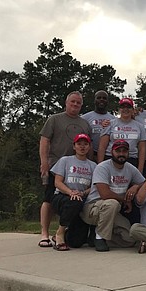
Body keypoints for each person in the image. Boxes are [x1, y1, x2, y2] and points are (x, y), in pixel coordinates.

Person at [38, 91, 92, 248]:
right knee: (48, 199)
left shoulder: (84, 124)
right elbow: (44, 140)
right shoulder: (54, 119)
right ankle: (44, 234)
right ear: (66, 103)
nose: (75, 105)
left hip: (78, 169)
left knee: (73, 201)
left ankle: (61, 232)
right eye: (72, 102)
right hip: (55, 165)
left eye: (78, 103)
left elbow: (90, 146)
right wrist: (44, 162)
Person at [80, 140, 145, 252]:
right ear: (111, 152)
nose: (121, 154)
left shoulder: (130, 168)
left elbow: (143, 182)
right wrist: (125, 200)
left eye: (124, 151)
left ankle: (94, 236)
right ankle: (100, 237)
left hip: (112, 211)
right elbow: (105, 194)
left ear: (128, 153)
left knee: (129, 239)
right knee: (112, 203)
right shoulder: (102, 167)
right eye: (118, 151)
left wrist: (135, 187)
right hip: (92, 208)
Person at [50, 133, 97, 251]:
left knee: (76, 242)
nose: (82, 147)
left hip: (82, 199)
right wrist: (70, 192)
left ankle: (68, 232)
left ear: (89, 147)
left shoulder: (93, 166)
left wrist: (84, 193)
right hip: (62, 197)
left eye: (85, 144)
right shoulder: (65, 160)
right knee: (74, 201)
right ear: (74, 146)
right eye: (79, 144)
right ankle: (60, 233)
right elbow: (58, 182)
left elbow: (94, 186)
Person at [98, 98, 146, 174]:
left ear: (133, 110)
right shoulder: (110, 124)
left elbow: (142, 149)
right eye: (123, 107)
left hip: (131, 159)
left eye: (128, 107)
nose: (125, 109)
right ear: (119, 109)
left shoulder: (140, 126)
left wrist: (140, 169)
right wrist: (100, 166)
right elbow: (102, 146)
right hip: (111, 158)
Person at [81, 90, 113, 160]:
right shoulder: (84, 118)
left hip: (106, 155)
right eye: (99, 98)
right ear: (94, 100)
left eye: (104, 98)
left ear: (107, 101)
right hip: (89, 155)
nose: (101, 100)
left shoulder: (113, 119)